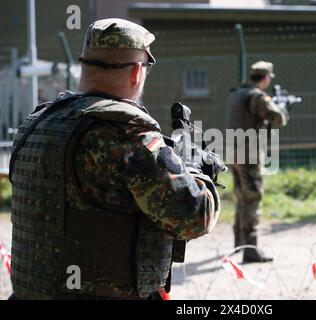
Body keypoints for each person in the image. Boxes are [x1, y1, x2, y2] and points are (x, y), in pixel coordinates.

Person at [8, 18, 220, 300]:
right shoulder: (127, 133)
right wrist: (195, 172)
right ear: (136, 71)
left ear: (85, 64)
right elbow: (195, 217)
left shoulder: (38, 122)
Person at [226, 61, 288, 263]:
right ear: (265, 78)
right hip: (249, 153)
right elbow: (278, 119)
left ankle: (239, 242)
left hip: (233, 151)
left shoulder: (237, 93)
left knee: (242, 197)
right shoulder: (257, 97)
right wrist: (282, 107)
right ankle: (250, 249)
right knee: (253, 197)